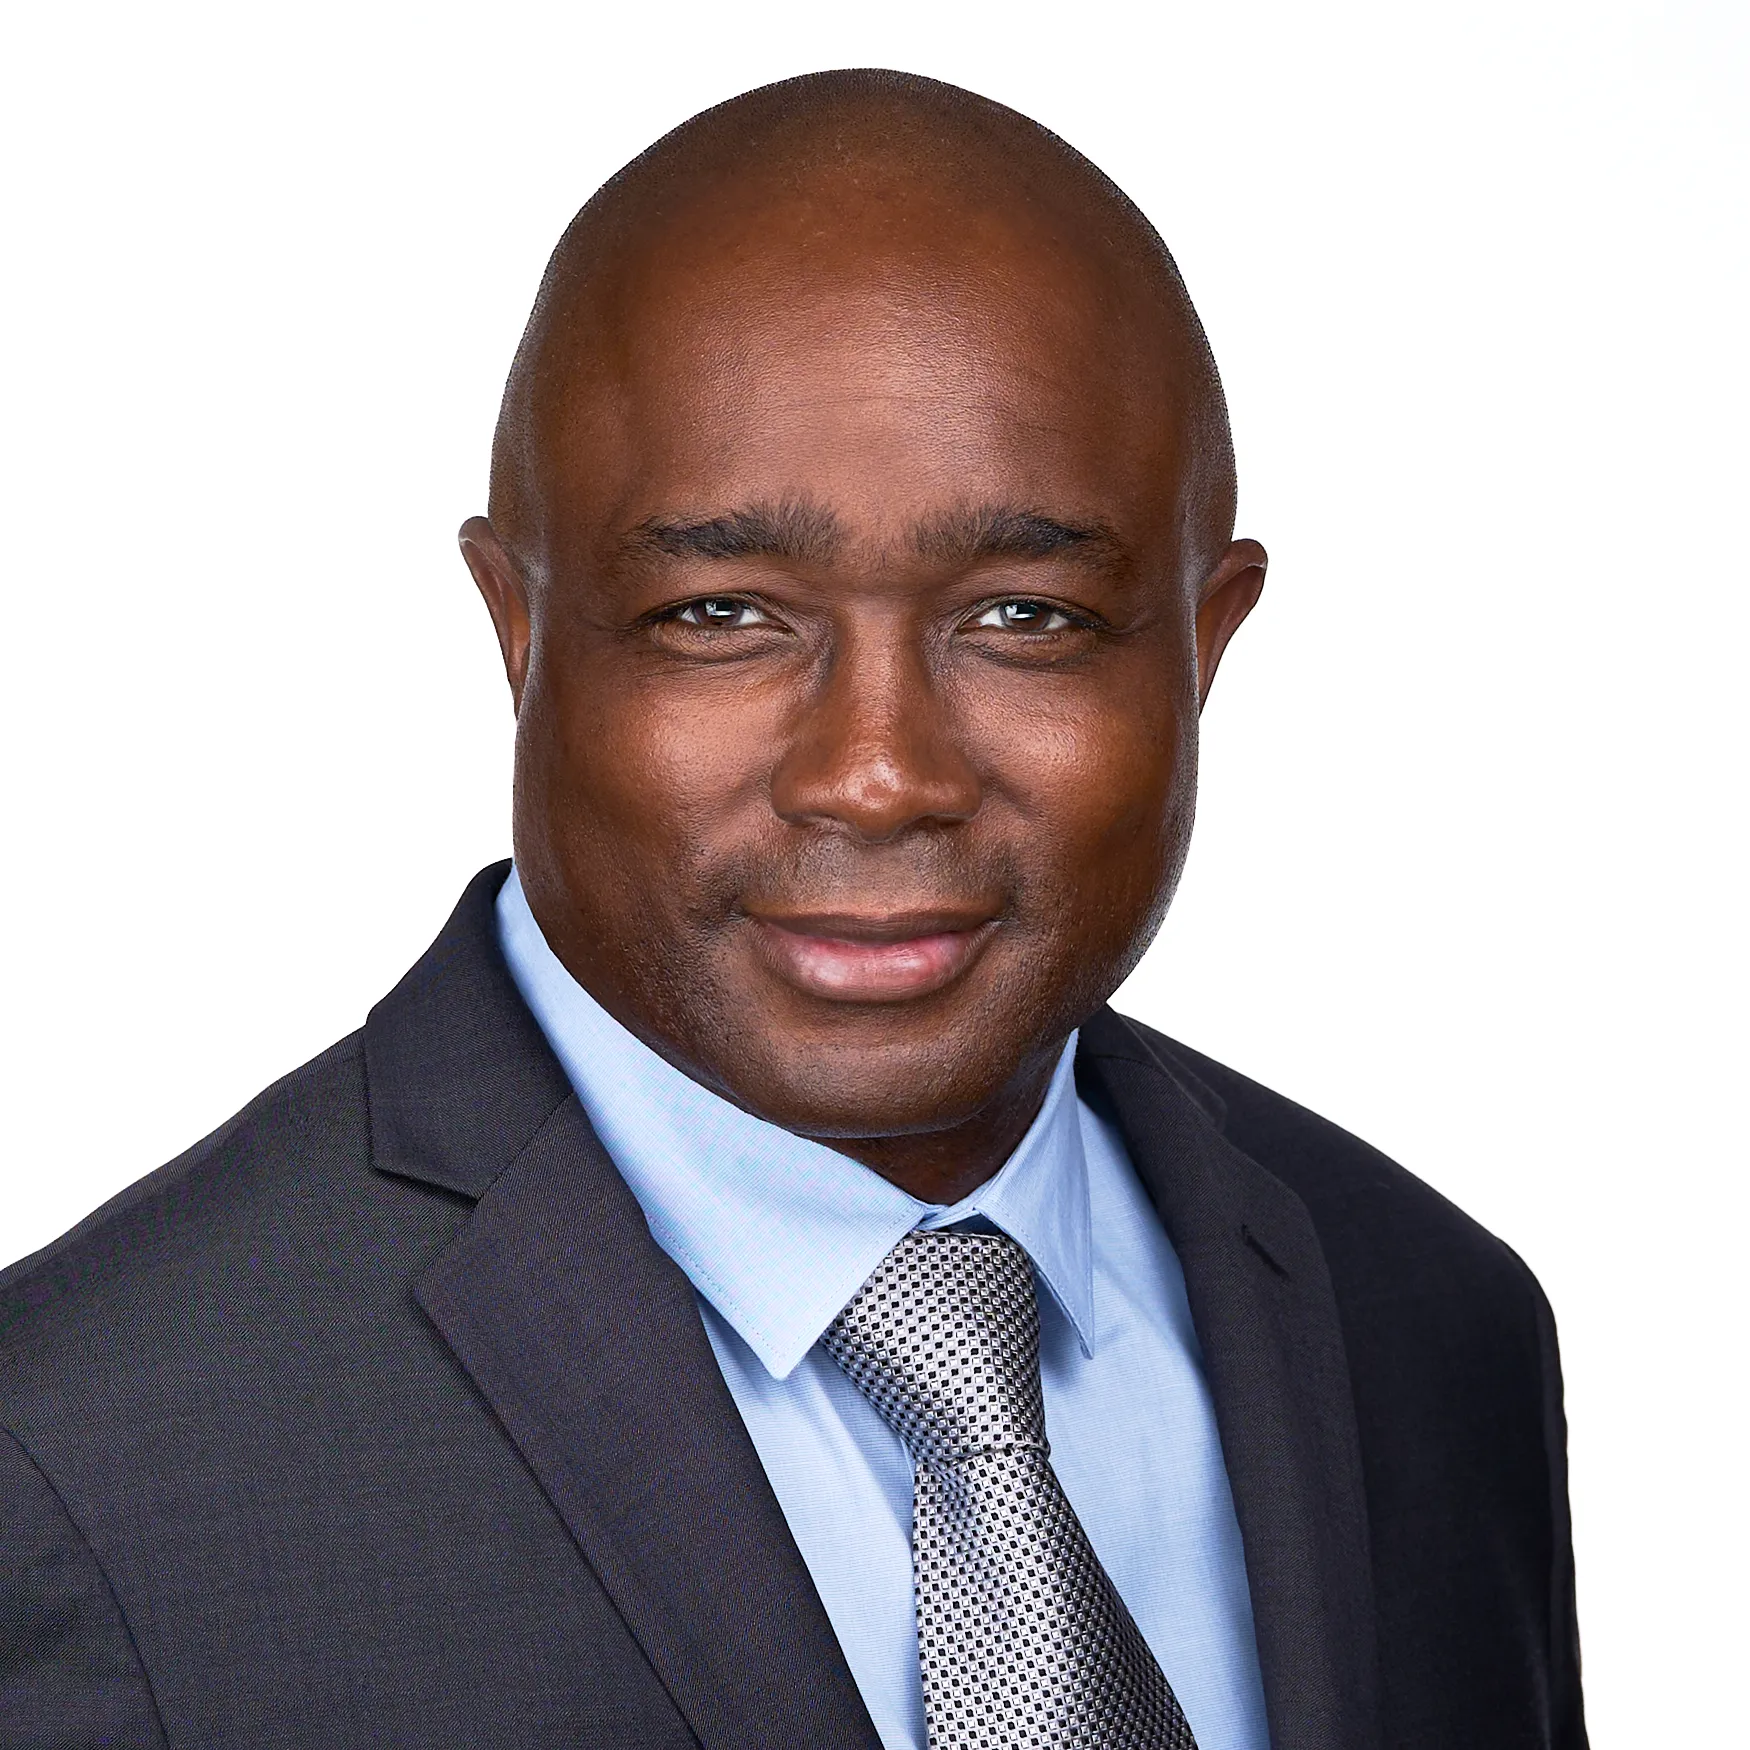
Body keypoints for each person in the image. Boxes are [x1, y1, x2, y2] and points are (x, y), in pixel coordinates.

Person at [0, 69, 1584, 1750]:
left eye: (1027, 615)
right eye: (724, 612)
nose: (879, 770)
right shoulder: (80, 1467)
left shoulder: (1426, 1322)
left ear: (1206, 637)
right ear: (518, 626)